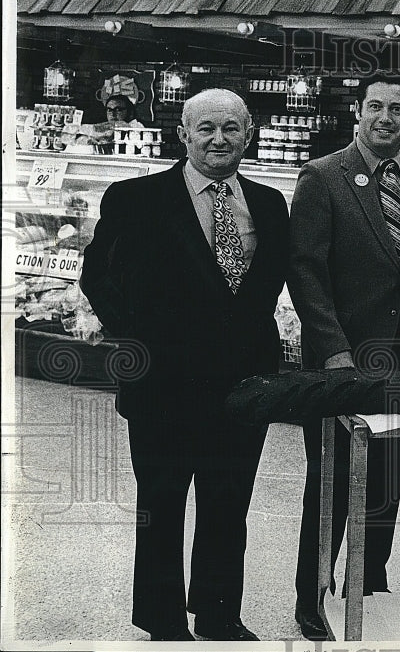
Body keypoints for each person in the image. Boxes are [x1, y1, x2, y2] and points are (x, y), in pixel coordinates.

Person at [80, 88, 289, 642]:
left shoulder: (268, 203)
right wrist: (139, 337)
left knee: (228, 503)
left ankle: (220, 614)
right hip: (163, 381)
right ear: (184, 134)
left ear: (249, 134)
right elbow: (97, 276)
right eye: (206, 129)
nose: (218, 139)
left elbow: (265, 287)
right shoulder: (137, 198)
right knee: (164, 502)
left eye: (230, 128)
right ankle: (164, 619)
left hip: (243, 384)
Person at [289, 72, 400, 640]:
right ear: (357, 112)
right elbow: (306, 272)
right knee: (332, 481)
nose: (386, 118)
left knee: (387, 479)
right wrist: (332, 350)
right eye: (376, 107)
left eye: (398, 110)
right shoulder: (322, 177)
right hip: (342, 364)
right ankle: (311, 596)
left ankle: (370, 583)